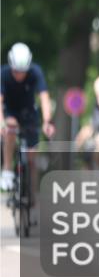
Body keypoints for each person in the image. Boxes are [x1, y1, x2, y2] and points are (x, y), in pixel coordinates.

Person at [1, 43, 55, 192]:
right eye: (16, 71)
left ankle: (33, 193)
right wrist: (1, 123)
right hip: (10, 110)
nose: (20, 75)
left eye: (23, 71)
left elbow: (44, 98)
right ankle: (7, 169)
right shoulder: (3, 73)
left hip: (29, 112)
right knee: (11, 127)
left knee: (32, 154)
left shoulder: (36, 72)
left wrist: (47, 121)